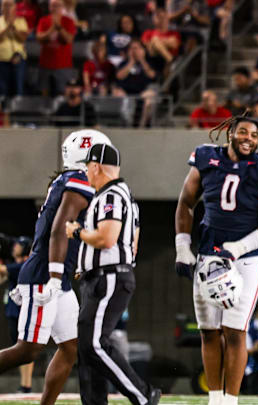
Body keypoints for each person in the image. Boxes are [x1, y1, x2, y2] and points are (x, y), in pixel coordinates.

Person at [174, 113, 258, 405]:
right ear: (230, 133)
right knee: (208, 331)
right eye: (243, 132)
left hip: (247, 257)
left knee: (235, 331)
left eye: (254, 135)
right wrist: (182, 246)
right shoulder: (206, 158)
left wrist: (237, 248)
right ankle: (215, 398)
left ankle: (231, 400)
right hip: (209, 252)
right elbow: (186, 203)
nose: (248, 139)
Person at [0, 130, 111, 405]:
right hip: (46, 274)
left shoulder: (68, 179)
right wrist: (53, 276)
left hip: (54, 273)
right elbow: (60, 231)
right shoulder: (79, 180)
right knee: (27, 350)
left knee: (71, 347)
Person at [64, 142, 161, 405]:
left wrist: (76, 232)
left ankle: (143, 394)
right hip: (106, 276)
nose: (86, 172)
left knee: (93, 344)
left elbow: (107, 239)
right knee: (87, 348)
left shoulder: (111, 196)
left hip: (108, 278)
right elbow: (133, 244)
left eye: (87, 167)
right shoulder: (123, 196)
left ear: (95, 166)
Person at [0, 237, 32, 393]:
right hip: (13, 310)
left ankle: (26, 385)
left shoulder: (24, 264)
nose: (15, 247)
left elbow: (4, 271)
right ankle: (24, 385)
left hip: (22, 310)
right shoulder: (15, 265)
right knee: (19, 348)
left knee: (25, 348)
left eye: (19, 245)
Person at [36, 0, 76, 97]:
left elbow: (69, 39)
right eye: (53, 6)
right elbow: (39, 38)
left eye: (58, 6)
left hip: (63, 65)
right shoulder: (43, 20)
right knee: (44, 94)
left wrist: (59, 28)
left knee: (63, 94)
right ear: (49, 7)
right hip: (45, 65)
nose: (56, 8)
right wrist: (52, 29)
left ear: (62, 8)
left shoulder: (69, 21)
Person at [114, 40, 158, 128]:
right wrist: (131, 62)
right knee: (119, 94)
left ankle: (141, 127)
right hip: (126, 92)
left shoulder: (148, 63)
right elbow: (119, 76)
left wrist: (141, 60)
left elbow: (152, 75)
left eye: (137, 48)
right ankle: (125, 126)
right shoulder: (124, 63)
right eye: (132, 48)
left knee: (149, 97)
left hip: (142, 92)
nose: (134, 51)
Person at [0, 0, 29, 97]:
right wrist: (8, 27)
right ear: (1, 7)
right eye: (5, 5)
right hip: (2, 60)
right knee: (2, 90)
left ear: (15, 7)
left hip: (18, 59)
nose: (8, 8)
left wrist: (14, 28)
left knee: (18, 90)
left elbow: (23, 38)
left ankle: (17, 110)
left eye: (10, 5)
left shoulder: (21, 21)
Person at [141, 8, 181, 73]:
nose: (161, 20)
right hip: (154, 59)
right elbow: (148, 46)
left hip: (169, 57)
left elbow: (175, 45)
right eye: (158, 17)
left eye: (163, 17)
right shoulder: (148, 32)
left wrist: (158, 42)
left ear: (168, 18)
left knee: (155, 40)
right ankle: (171, 61)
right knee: (155, 40)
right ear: (154, 19)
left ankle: (170, 61)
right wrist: (166, 41)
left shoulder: (174, 33)